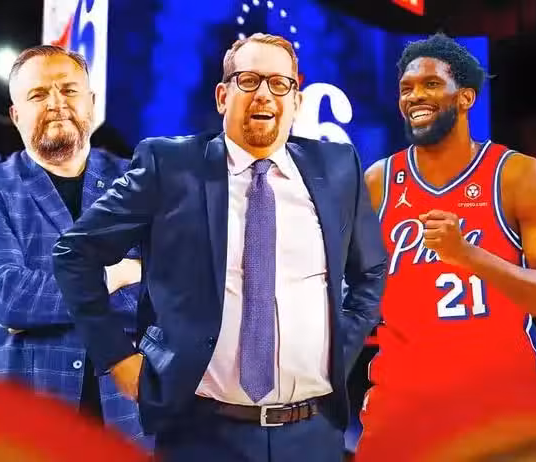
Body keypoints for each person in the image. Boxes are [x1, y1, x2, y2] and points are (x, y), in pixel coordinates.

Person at [52, 33, 387, 462]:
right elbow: (75, 254)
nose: (264, 94)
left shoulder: (339, 167)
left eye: (279, 83)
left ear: (296, 101)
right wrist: (117, 358)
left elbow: (370, 271)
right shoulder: (168, 166)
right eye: (248, 80)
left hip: (312, 434)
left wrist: (340, 352)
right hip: (200, 434)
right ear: (222, 96)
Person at [357, 33, 536, 456]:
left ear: (465, 98)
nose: (415, 96)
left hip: (499, 414)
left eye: (431, 84)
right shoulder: (378, 182)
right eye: (406, 88)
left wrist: (468, 255)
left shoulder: (519, 177)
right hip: (401, 412)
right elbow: (352, 293)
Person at [0, 45, 151, 450]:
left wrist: (44, 309)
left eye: (69, 90)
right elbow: (10, 298)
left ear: (91, 102)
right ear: (16, 115)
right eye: (38, 94)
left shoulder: (138, 180)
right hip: (20, 428)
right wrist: (123, 273)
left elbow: (170, 291)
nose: (57, 103)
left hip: (125, 423)